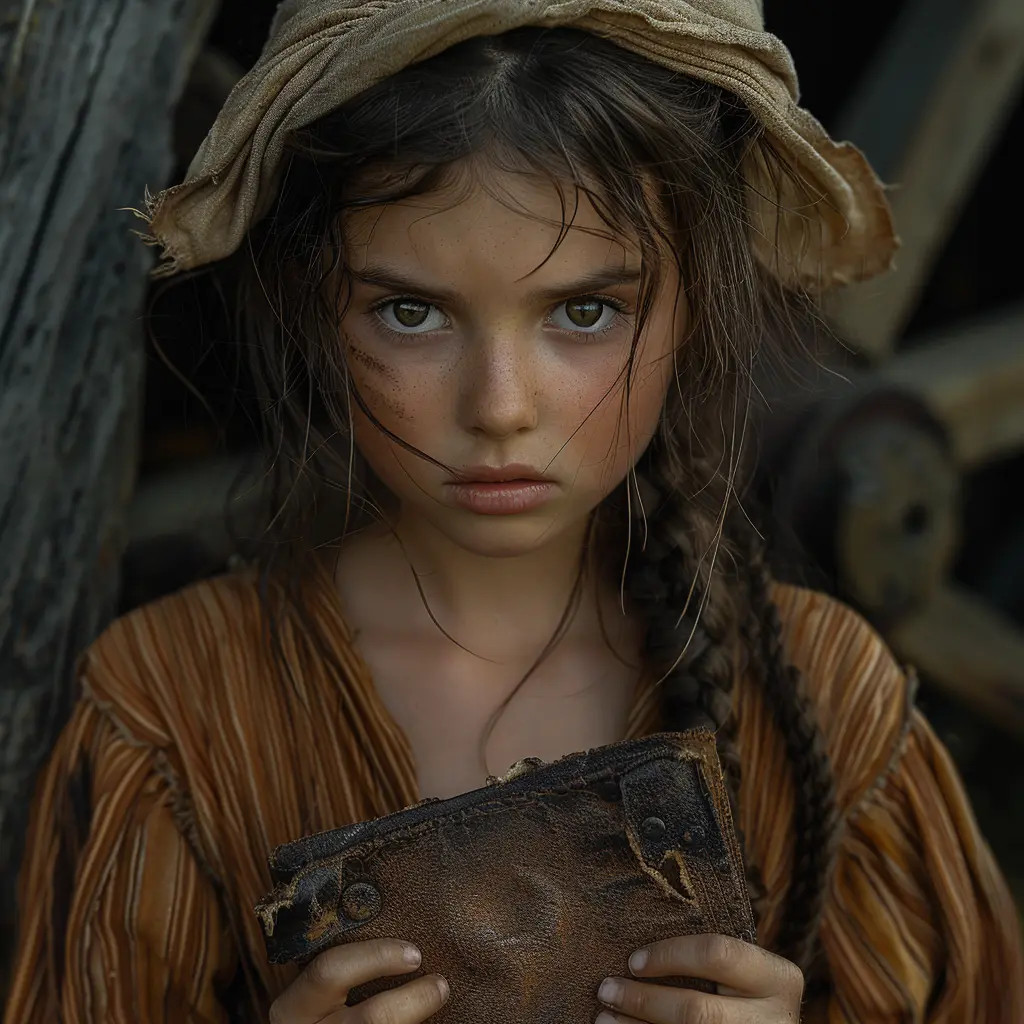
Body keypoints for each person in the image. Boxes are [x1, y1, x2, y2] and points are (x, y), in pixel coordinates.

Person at [5, 2, 1023, 1022]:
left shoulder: (830, 705)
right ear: (313, 308)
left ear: (696, 307)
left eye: (585, 310)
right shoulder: (175, 715)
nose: (499, 406)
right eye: (412, 312)